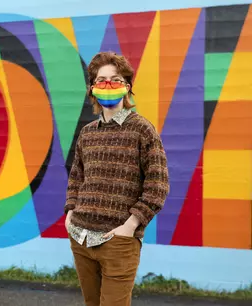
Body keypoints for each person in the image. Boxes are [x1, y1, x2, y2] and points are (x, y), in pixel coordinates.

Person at [64, 51, 169, 306]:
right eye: (101, 80)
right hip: (81, 238)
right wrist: (70, 213)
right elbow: (76, 177)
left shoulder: (142, 129)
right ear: (92, 89)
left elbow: (158, 185)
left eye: (114, 79)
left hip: (119, 241)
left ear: (127, 86)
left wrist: (130, 226)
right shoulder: (87, 133)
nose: (107, 85)